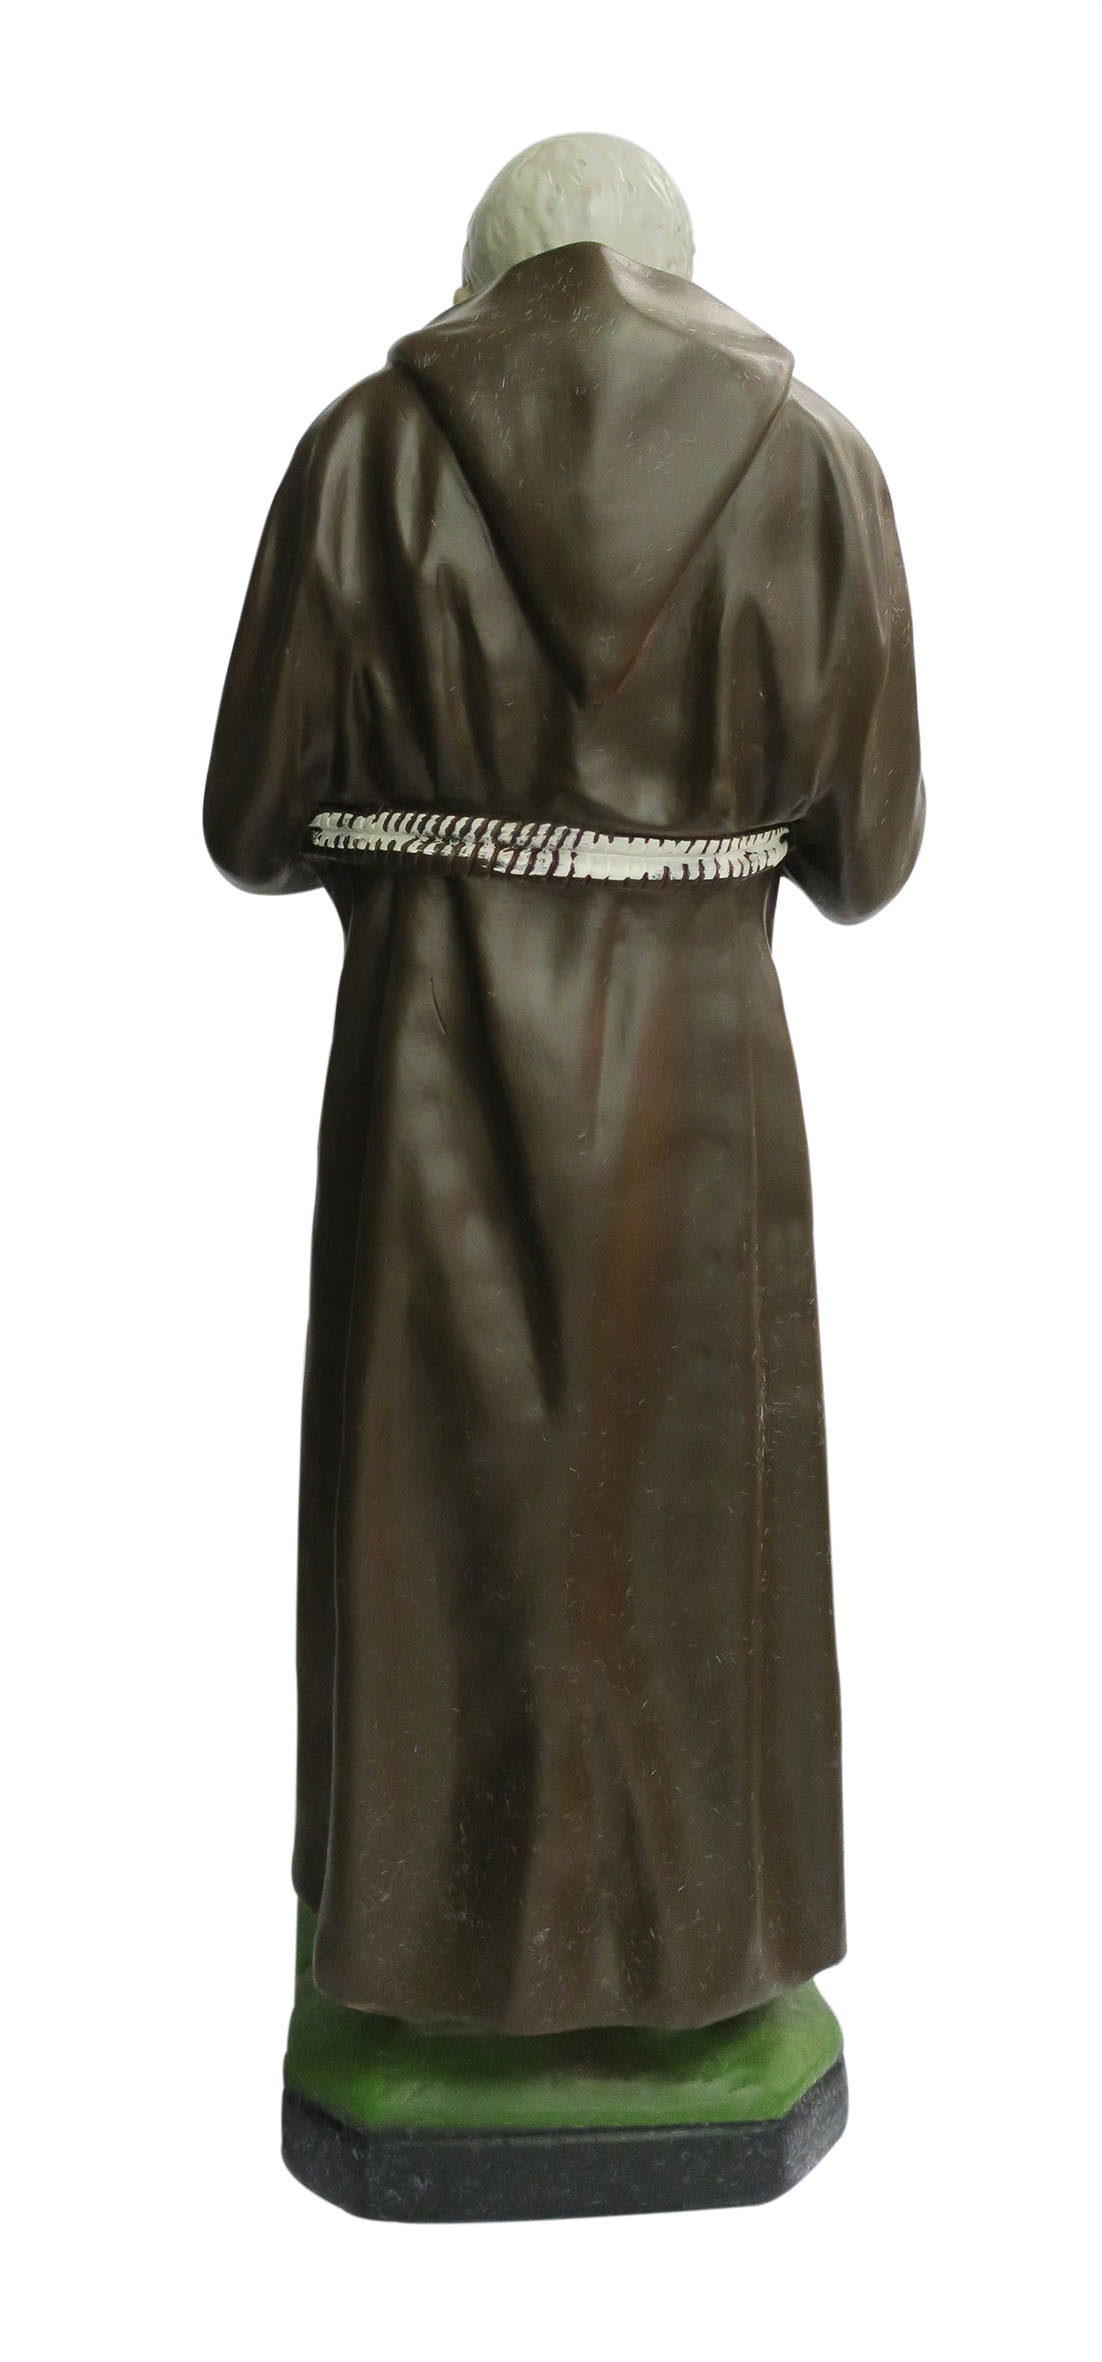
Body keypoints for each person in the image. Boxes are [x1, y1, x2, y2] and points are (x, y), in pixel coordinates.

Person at [205, 132, 923, 2054]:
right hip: (702, 1077)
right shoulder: (818, 465)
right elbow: (866, 864)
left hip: (432, 1060)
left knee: (440, 1518)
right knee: (684, 1527)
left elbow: (249, 825)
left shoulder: (361, 453)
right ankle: (692, 1959)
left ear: (478, 293)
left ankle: (430, 1970)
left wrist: (424, 844)